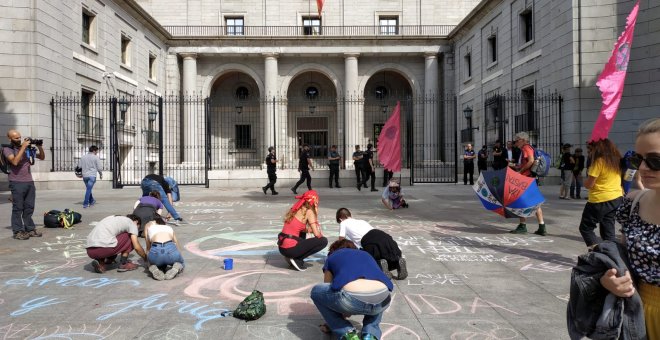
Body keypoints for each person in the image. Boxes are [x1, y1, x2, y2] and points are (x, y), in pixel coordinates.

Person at [602, 117, 660, 339]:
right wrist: (611, 280)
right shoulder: (633, 203)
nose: (643, 168)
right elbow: (622, 260)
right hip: (637, 313)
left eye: (655, 160)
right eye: (638, 159)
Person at [310, 239, 393, 340]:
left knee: (316, 291)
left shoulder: (332, 257)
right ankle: (370, 334)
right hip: (384, 298)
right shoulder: (366, 254)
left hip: (352, 298)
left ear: (333, 250)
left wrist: (338, 314)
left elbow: (328, 288)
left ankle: (347, 333)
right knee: (377, 292)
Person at [336, 207, 407, 280]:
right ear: (350, 215)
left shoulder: (343, 223)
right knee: (388, 253)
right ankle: (398, 261)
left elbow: (341, 239)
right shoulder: (361, 221)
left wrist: (339, 252)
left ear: (340, 218)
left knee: (370, 259)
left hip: (369, 240)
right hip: (382, 235)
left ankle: (381, 267)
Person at [578, 138, 623, 249]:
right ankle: (612, 256)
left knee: (586, 228)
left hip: (600, 199)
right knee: (608, 230)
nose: (589, 151)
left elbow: (589, 185)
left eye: (590, 149)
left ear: (598, 148)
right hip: (616, 197)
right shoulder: (616, 160)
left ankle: (598, 252)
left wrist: (584, 180)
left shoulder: (599, 161)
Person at [3, 129, 45, 240]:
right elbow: (15, 162)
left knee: (29, 207)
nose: (19, 139)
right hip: (16, 182)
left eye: (19, 137)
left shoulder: (26, 149)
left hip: (29, 182)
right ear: (10, 138)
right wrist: (23, 147)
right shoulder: (7, 149)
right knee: (18, 208)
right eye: (16, 138)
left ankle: (30, 229)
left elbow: (41, 157)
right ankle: (17, 231)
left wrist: (39, 146)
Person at [277, 190, 327, 271]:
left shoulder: (296, 208)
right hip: (290, 249)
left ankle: (291, 256)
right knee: (323, 241)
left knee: (302, 234)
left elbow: (296, 227)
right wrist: (319, 233)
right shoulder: (309, 211)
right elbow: (317, 234)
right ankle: (297, 258)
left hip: (282, 248)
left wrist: (308, 230)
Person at [510, 132, 546, 235]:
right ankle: (542, 226)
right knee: (535, 202)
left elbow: (530, 161)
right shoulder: (528, 148)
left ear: (523, 140)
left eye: (517, 140)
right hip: (531, 178)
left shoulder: (526, 147)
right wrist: (517, 166)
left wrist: (520, 172)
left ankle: (522, 226)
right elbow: (528, 162)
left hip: (526, 179)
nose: (515, 142)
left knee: (520, 201)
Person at [145, 216, 184, 280]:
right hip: (170, 249)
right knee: (181, 262)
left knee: (151, 262)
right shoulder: (168, 227)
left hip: (156, 250)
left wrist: (147, 261)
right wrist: (179, 257)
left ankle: (154, 268)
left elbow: (148, 248)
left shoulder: (149, 227)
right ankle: (176, 268)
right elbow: (176, 244)